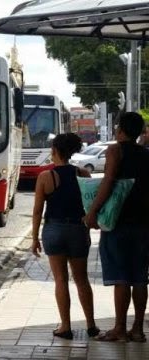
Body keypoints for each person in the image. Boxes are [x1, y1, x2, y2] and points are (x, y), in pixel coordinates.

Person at [84, 112, 149, 342]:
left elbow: (108, 181)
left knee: (121, 277)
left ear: (120, 129)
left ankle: (120, 328)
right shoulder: (146, 153)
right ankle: (138, 329)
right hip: (143, 222)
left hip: (118, 222)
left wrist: (92, 212)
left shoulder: (115, 150)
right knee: (140, 278)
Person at [31, 133, 99, 340]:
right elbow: (88, 205)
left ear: (56, 151)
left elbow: (37, 211)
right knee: (82, 280)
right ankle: (91, 325)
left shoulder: (46, 177)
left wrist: (34, 238)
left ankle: (66, 327)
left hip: (54, 230)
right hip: (78, 230)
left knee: (60, 280)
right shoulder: (83, 174)